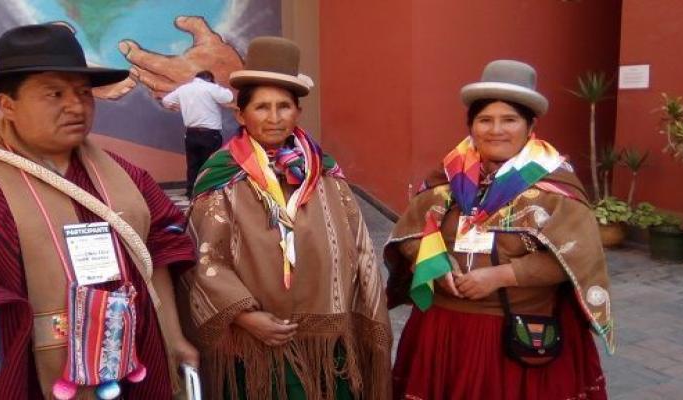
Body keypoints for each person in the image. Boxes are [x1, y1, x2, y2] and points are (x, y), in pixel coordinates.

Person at [0, 24, 198, 399]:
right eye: (54, 93)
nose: (76, 106)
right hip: (15, 378)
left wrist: (174, 336)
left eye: (83, 92)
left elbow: (160, 248)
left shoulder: (125, 175)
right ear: (7, 104)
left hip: (129, 365)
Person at [385, 60, 614, 400]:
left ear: (529, 125)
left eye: (509, 120)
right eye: (485, 120)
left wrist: (502, 275)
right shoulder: (446, 181)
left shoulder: (554, 187)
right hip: (444, 332)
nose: (496, 130)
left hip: (520, 333)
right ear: (471, 126)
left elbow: (578, 258)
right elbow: (409, 235)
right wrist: (432, 259)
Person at [179, 36, 392, 400]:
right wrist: (245, 317)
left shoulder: (327, 176)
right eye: (262, 107)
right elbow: (204, 258)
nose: (274, 118)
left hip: (328, 348)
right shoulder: (220, 178)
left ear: (298, 112)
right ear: (240, 115)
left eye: (284, 107)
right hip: (253, 347)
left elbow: (360, 251)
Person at [162, 70, 233, 197]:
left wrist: (178, 107)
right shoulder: (210, 88)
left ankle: (191, 192)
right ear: (210, 79)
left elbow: (166, 101)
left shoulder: (184, 89)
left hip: (191, 134)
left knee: (193, 165)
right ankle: (207, 192)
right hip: (210, 134)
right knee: (210, 165)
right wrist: (216, 85)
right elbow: (229, 97)